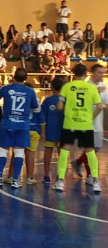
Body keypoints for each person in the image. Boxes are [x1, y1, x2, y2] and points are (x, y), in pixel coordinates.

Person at [0, 68, 40, 190]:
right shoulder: (30, 91)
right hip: (23, 126)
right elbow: (37, 109)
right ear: (25, 79)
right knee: (19, 152)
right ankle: (16, 180)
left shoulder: (6, 88)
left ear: (13, 77)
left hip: (7, 124)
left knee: (2, 151)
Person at [54, 63, 104, 192]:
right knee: (90, 151)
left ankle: (60, 181)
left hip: (69, 124)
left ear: (74, 73)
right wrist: (91, 117)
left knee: (65, 151)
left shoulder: (67, 87)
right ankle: (96, 181)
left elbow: (59, 107)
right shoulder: (92, 88)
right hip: (86, 124)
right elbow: (100, 107)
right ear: (86, 73)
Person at [73, 64, 108, 186]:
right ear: (92, 73)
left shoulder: (104, 86)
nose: (101, 75)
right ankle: (89, 176)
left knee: (96, 148)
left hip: (98, 123)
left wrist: (103, 106)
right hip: (87, 123)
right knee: (90, 150)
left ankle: (78, 162)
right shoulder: (86, 86)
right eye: (99, 72)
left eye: (103, 72)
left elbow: (105, 103)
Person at [41, 77, 65, 184]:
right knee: (62, 154)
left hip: (49, 131)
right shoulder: (65, 101)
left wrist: (42, 132)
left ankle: (46, 176)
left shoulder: (47, 100)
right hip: (62, 132)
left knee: (48, 152)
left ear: (51, 87)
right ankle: (60, 176)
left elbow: (42, 117)